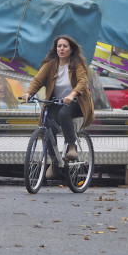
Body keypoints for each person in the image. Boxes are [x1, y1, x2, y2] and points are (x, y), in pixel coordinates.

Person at [20, 35, 95, 178]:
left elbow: (82, 81)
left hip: (77, 102)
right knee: (46, 127)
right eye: (59, 46)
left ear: (71, 49)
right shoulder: (50, 64)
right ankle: (55, 162)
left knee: (63, 113)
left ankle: (72, 146)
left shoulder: (77, 64)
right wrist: (29, 93)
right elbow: (38, 80)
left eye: (65, 46)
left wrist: (72, 95)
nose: (61, 49)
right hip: (56, 101)